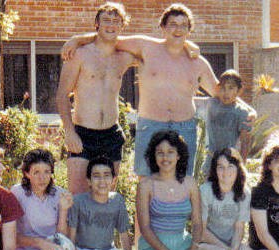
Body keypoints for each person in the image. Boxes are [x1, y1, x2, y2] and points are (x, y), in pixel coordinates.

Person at [63, 3, 229, 177]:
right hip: (151, 125)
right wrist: (78, 40)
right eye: (173, 24)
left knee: (183, 181)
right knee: (146, 182)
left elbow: (222, 93)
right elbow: (108, 37)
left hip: (184, 127)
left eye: (183, 26)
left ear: (189, 30)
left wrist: (244, 109)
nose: (178, 29)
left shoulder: (198, 62)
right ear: (163, 27)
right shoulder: (146, 48)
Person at [57, 2, 135, 195]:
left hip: (111, 135)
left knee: (105, 198)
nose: (111, 25)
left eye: (116, 21)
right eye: (106, 20)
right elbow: (62, 94)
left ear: (122, 26)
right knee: (77, 198)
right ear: (96, 24)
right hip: (83, 134)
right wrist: (69, 131)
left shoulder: (125, 56)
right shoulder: (80, 54)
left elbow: (156, 50)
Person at [195, 69, 256, 172]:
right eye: (223, 88)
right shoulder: (211, 104)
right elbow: (191, 100)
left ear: (239, 91)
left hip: (229, 161)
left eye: (231, 88)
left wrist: (241, 165)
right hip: (210, 161)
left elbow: (245, 142)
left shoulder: (241, 113)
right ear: (218, 88)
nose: (226, 92)